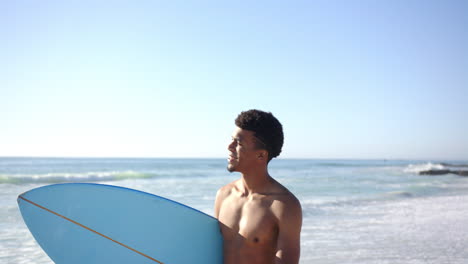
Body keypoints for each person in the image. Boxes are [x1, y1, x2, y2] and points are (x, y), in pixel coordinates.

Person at [214, 109, 302, 264]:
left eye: (239, 143)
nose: (230, 146)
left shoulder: (284, 206)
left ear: (261, 155)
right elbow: (210, 251)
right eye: (231, 139)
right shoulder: (223, 195)